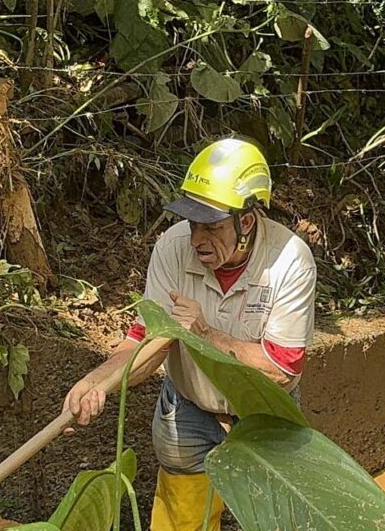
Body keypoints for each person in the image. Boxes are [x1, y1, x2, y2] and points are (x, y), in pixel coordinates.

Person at [62, 135, 317, 531]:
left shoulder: (290, 261)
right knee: (182, 519)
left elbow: (280, 370)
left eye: (211, 226)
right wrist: (97, 382)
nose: (197, 238)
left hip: (265, 414)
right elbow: (145, 341)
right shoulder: (171, 248)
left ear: (245, 221)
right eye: (193, 222)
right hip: (188, 407)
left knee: (278, 519)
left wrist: (204, 334)